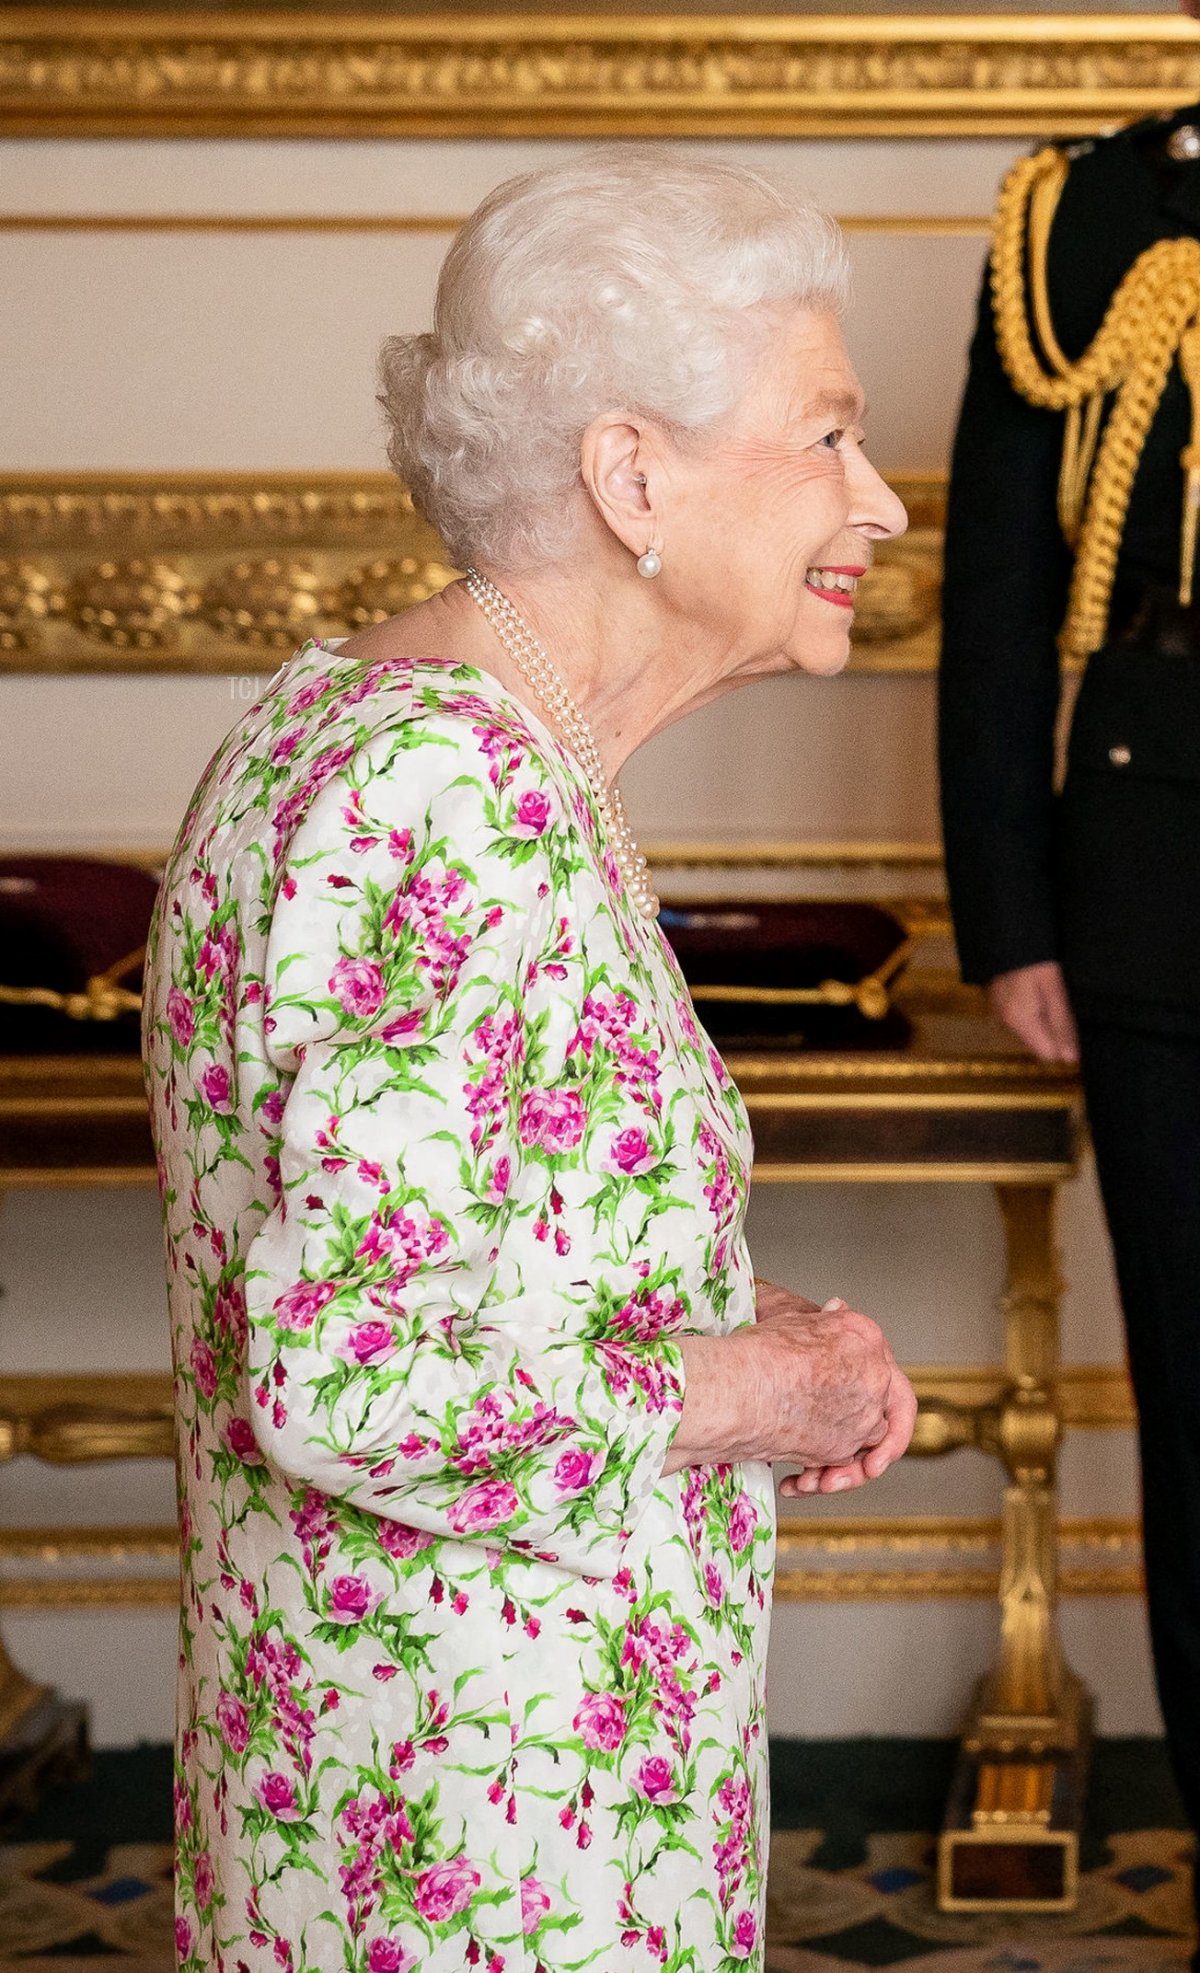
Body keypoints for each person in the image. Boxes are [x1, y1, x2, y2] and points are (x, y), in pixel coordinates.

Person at [142, 147, 914, 1973]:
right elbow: (355, 1374)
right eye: (826, 436)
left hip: (479, 1807)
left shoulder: (442, 750)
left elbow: (485, 1245)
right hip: (474, 1860)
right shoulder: (440, 792)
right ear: (630, 472)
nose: (877, 497)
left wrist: (758, 1321)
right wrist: (747, 1391)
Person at [939, 27, 1200, 1950]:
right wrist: (1009, 910)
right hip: (1164, 884)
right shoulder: (1090, 217)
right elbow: (1006, 602)